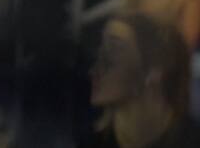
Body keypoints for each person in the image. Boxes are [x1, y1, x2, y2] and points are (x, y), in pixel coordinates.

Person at [83, 13, 200, 148]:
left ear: (155, 69)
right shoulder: (92, 140)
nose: (94, 71)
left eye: (113, 50)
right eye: (101, 50)